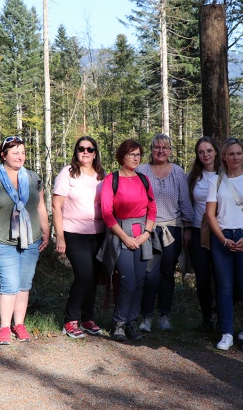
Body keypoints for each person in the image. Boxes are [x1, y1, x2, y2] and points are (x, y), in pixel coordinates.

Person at [0, 136, 49, 345]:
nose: (20, 156)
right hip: (1, 241)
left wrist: (46, 230)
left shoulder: (33, 178)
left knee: (24, 284)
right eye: (15, 152)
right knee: (9, 284)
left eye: (23, 152)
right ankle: (5, 328)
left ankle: (20, 324)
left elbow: (41, 206)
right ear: (3, 155)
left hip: (31, 240)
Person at [206, 138, 243, 353]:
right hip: (222, 238)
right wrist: (222, 239)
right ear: (224, 157)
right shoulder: (216, 181)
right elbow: (210, 214)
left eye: (239, 153)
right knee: (224, 288)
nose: (236, 157)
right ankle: (227, 332)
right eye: (231, 154)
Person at [97, 139, 157, 341]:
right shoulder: (111, 180)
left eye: (138, 154)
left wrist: (146, 234)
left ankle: (131, 321)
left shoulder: (143, 179)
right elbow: (106, 213)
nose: (135, 158)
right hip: (120, 234)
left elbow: (152, 209)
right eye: (131, 154)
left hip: (142, 235)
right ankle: (119, 323)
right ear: (122, 156)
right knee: (127, 281)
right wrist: (125, 237)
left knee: (140, 281)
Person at [136, 134, 193, 332]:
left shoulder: (177, 172)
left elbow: (184, 201)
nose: (161, 150)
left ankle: (165, 315)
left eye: (165, 147)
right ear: (151, 150)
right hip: (148, 230)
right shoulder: (142, 170)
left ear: (170, 151)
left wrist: (186, 229)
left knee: (167, 274)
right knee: (149, 274)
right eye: (157, 147)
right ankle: (146, 316)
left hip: (172, 229)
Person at [53, 136, 106, 339]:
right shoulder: (68, 173)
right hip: (74, 233)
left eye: (90, 149)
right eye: (81, 148)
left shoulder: (102, 175)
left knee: (93, 278)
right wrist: (60, 237)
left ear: (95, 152)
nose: (85, 152)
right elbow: (56, 206)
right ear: (76, 152)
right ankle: (70, 321)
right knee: (83, 276)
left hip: (99, 234)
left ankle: (87, 319)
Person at [186, 137, 220, 332]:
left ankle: (223, 316)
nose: (205, 155)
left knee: (221, 276)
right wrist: (188, 229)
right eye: (201, 152)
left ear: (216, 151)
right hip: (200, 232)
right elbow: (188, 205)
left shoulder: (226, 174)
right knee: (202, 277)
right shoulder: (193, 177)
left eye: (209, 150)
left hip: (221, 231)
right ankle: (206, 317)